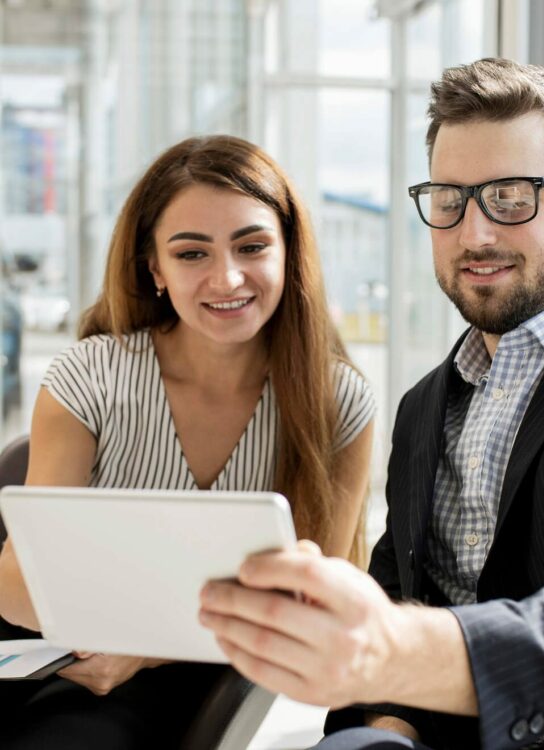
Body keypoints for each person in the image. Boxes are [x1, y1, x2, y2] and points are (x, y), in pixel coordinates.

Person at [198, 58, 544, 750]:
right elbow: (397, 592)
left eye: (512, 196)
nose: (475, 234)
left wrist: (398, 647)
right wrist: (386, 733)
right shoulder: (423, 407)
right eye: (449, 199)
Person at [0, 134, 375, 749]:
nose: (226, 277)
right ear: (155, 269)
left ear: (288, 253)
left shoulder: (339, 406)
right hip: (65, 666)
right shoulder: (88, 377)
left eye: (251, 246)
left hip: (207, 682)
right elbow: (14, 583)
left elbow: (315, 614)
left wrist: (146, 652)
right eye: (191, 253)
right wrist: (120, 636)